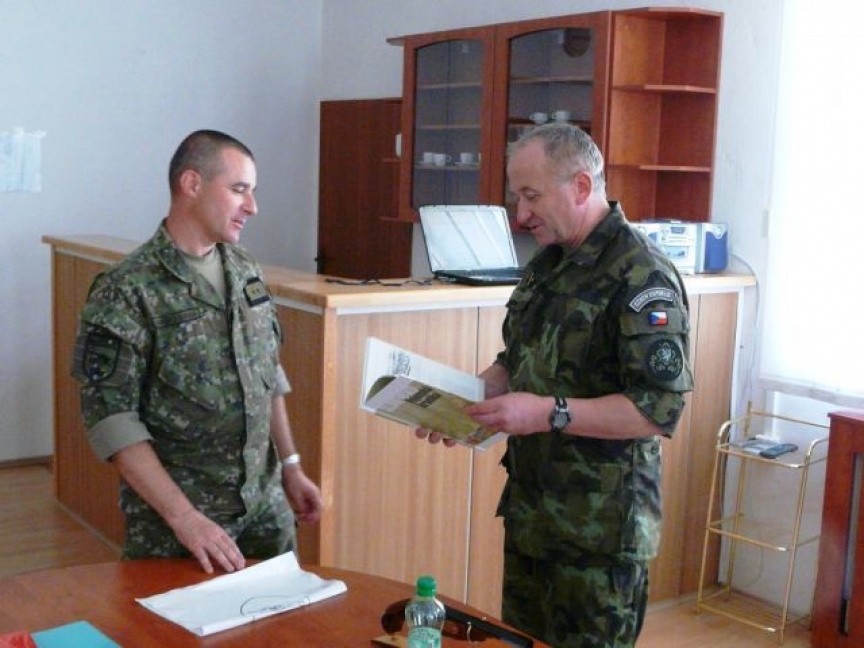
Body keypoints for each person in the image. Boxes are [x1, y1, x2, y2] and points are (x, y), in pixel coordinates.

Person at [416, 123, 693, 647]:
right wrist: (473, 396)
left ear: (581, 186)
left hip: (599, 537)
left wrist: (547, 413)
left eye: (532, 196)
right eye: (517, 197)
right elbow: (518, 355)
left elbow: (656, 410)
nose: (521, 215)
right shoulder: (549, 263)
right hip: (534, 518)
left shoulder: (641, 275)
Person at [72, 130, 323, 574]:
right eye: (239, 189)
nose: (252, 206)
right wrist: (185, 518)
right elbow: (112, 421)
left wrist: (291, 466)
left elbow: (268, 373)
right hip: (178, 526)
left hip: (264, 512)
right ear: (192, 184)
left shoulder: (244, 269)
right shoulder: (126, 289)